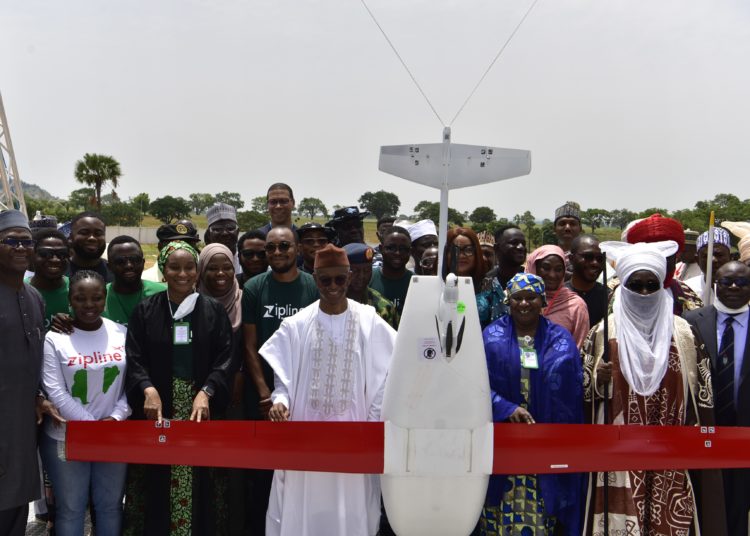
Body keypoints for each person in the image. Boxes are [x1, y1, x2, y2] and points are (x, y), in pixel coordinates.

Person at [582, 240, 727, 535]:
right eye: (636, 285)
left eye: (652, 284)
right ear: (623, 286)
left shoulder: (684, 332)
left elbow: (703, 394)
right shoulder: (603, 333)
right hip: (619, 458)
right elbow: (583, 390)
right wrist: (599, 380)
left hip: (671, 453)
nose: (645, 292)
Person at [261, 244, 396, 536]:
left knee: (352, 512)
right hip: (306, 439)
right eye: (325, 280)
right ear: (315, 278)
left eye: (339, 279)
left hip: (353, 439)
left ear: (349, 278)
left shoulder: (369, 320)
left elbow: (388, 375)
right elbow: (283, 380)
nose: (333, 286)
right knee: (304, 510)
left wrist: (370, 426)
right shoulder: (295, 325)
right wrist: (280, 402)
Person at [124, 241, 235, 535]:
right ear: (163, 271)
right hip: (158, 410)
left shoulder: (212, 310)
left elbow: (226, 358)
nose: (182, 274)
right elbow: (134, 358)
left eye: (189, 267)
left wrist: (207, 391)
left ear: (197, 271)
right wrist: (147, 389)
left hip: (200, 411)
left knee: (202, 483)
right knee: (156, 481)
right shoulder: (146, 311)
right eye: (174, 267)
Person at [480, 273, 583, 535]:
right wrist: (506, 408)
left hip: (543, 444)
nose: (524, 304)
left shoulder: (560, 340)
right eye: (517, 298)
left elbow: (573, 389)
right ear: (508, 300)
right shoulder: (490, 338)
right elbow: (475, 385)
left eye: (531, 298)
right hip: (502, 444)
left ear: (542, 301)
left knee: (540, 515)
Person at [240, 225, 318, 534]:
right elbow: (250, 346)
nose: (276, 253)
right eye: (270, 248)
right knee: (262, 478)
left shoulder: (313, 287)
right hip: (262, 399)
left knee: (300, 474)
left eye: (284, 246)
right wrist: (265, 393)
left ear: (298, 249)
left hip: (304, 401)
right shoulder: (255, 288)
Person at [40, 270, 130, 536]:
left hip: (113, 435)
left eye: (96, 298)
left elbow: (131, 385)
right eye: (80, 298)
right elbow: (55, 391)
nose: (89, 305)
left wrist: (115, 418)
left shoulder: (121, 333)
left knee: (110, 507)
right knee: (71, 509)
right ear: (70, 299)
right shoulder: (54, 338)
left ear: (105, 299)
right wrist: (92, 428)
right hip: (65, 437)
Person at [0, 209, 61, 536]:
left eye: (26, 242)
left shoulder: (35, 298)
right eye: (10, 241)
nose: (20, 247)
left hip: (22, 428)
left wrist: (39, 396)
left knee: (15, 509)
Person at [685, 261, 750, 535]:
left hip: (745, 433)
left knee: (739, 508)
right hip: (704, 432)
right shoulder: (690, 322)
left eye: (742, 282)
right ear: (715, 284)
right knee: (705, 508)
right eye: (726, 281)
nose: (734, 287)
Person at [197, 243, 246, 536]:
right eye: (212, 267)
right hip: (201, 398)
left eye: (226, 266)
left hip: (238, 397)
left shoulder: (244, 298)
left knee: (236, 469)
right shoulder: (192, 302)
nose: (220, 273)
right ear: (202, 270)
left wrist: (238, 374)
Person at [623, 213, 703, 315]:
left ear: (675, 257)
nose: (660, 263)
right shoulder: (619, 292)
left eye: (667, 256)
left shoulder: (688, 295)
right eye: (654, 256)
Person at [525, 245, 590, 347]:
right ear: (534, 268)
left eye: (558, 269)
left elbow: (580, 349)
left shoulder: (576, 306)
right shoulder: (518, 300)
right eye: (546, 268)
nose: (552, 275)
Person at [104, 236, 166, 325]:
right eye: (120, 261)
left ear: (143, 262)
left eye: (135, 259)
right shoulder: (98, 297)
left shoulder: (163, 293)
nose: (129, 265)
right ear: (109, 267)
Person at [478, 225, 527, 327]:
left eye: (523, 243)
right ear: (497, 248)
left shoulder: (531, 280)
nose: (521, 247)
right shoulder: (484, 282)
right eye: (514, 243)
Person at [344, 242, 399, 329]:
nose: (362, 276)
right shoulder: (331, 301)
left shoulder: (383, 307)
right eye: (355, 271)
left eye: (367, 271)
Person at [27, 228, 71, 330]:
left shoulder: (78, 290)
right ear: (32, 255)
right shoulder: (19, 291)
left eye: (62, 254)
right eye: (45, 253)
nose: (55, 260)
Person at [566, 234, 608, 328]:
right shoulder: (559, 296)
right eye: (588, 257)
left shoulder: (609, 297)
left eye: (600, 259)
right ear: (571, 259)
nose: (595, 263)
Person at [370, 226, 413, 314]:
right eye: (391, 248)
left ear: (410, 252)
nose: (397, 253)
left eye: (403, 249)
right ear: (381, 249)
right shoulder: (369, 278)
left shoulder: (416, 282)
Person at [685, 227, 733, 300]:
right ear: (697, 260)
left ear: (730, 258)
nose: (713, 260)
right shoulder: (686, 290)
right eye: (706, 256)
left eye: (719, 255)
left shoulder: (740, 290)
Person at [67, 211, 112, 282]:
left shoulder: (115, 272)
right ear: (71, 237)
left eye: (98, 233)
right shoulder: (58, 272)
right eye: (84, 233)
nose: (92, 238)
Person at [442, 227, 487, 294]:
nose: (461, 256)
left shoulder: (488, 287)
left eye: (468, 250)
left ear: (477, 253)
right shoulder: (433, 285)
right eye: (454, 251)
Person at [206, 202, 242, 273]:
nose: (224, 233)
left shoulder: (247, 261)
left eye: (230, 228)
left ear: (237, 232)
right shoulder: (202, 263)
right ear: (209, 234)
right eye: (217, 229)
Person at [554, 201, 582, 280]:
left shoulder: (590, 259)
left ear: (580, 229)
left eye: (572, 224)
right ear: (554, 229)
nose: (567, 228)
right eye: (562, 223)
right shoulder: (544, 257)